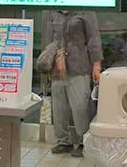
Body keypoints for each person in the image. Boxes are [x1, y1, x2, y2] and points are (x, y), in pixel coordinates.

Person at [38, 10, 103, 157]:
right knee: (59, 107)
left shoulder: (86, 12)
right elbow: (48, 40)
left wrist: (96, 64)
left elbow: (94, 39)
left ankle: (83, 142)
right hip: (57, 66)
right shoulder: (53, 12)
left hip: (79, 66)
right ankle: (62, 141)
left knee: (80, 106)